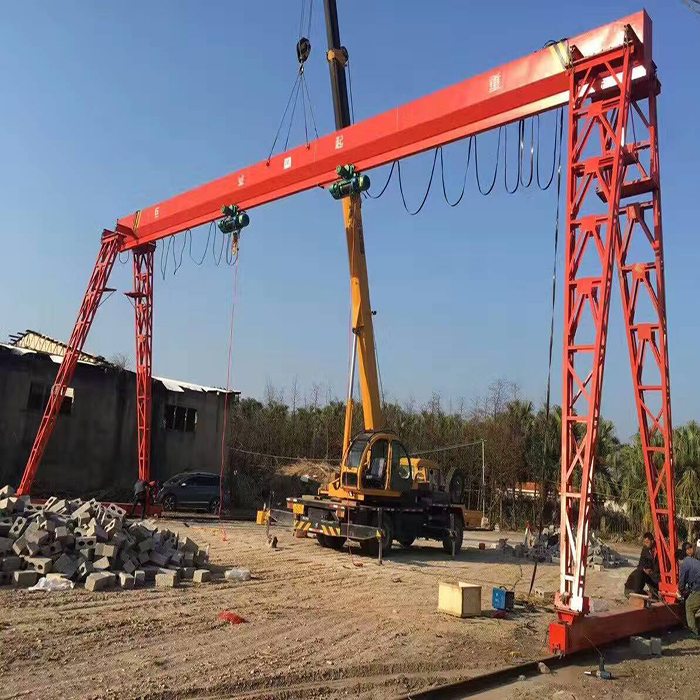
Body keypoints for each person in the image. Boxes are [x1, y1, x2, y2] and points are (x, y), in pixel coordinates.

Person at [624, 532, 660, 597]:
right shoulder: (645, 549)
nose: (645, 544)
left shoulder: (659, 549)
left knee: (656, 592)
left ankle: (654, 594)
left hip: (655, 574)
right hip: (647, 572)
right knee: (638, 573)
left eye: (647, 542)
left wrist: (652, 572)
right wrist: (644, 569)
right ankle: (638, 592)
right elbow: (641, 562)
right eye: (645, 542)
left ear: (652, 541)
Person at [678, 541, 700, 639]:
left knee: (689, 606)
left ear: (678, 560)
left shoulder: (684, 564)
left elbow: (682, 582)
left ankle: (694, 632)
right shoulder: (693, 560)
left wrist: (680, 592)